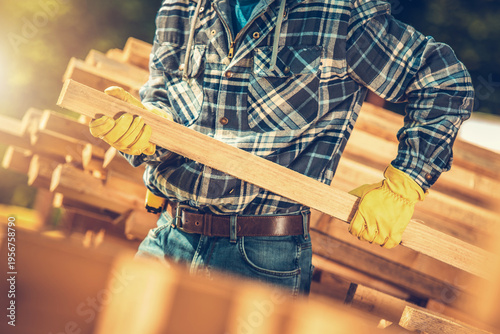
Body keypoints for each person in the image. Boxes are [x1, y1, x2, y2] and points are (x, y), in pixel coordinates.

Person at [89, 0, 474, 296]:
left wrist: (402, 184)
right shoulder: (183, 7)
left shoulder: (338, 14)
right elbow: (163, 97)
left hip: (262, 258)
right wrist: (142, 127)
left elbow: (443, 81)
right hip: (169, 234)